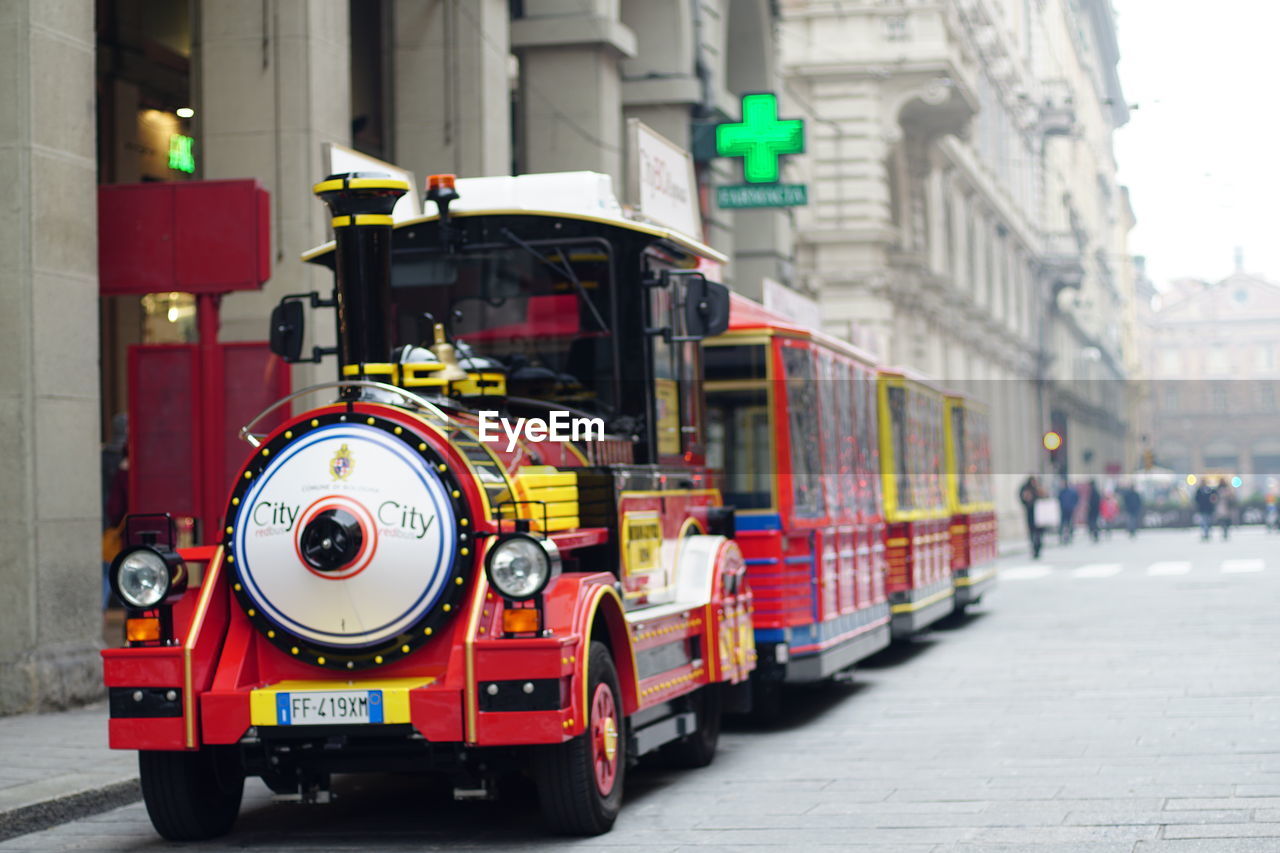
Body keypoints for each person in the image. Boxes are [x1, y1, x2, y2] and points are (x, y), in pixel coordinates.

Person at [1018, 475, 1045, 559]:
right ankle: (1034, 549)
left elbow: (1045, 496)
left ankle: (1038, 548)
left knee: (1039, 533)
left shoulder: (1038, 488)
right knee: (1032, 533)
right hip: (1030, 513)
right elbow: (1021, 498)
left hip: (1039, 514)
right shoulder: (1026, 489)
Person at [1057, 480, 1079, 544]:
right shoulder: (1063, 492)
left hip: (1067, 510)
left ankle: (1068, 535)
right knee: (1065, 524)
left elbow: (1076, 498)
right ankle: (1065, 536)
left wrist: (1073, 505)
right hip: (1066, 510)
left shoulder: (1067, 492)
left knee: (1067, 523)